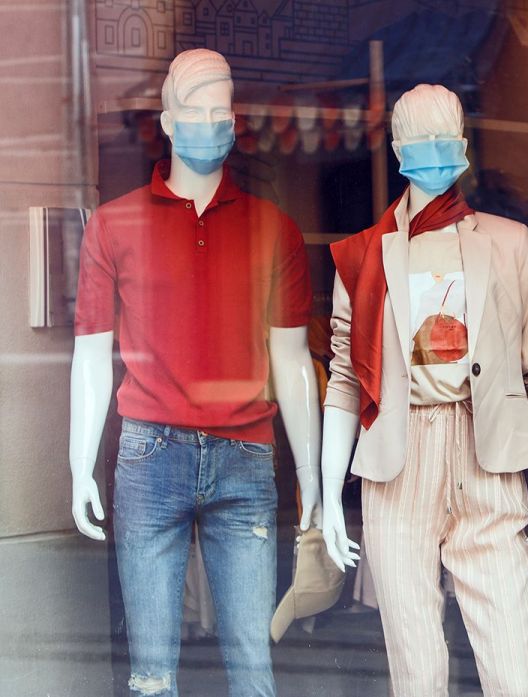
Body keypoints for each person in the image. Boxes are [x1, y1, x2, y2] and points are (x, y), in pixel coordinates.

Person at [69, 48, 321, 697]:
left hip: (246, 455)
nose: (210, 121)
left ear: (234, 121)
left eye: (222, 109)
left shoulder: (275, 230)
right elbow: (92, 354)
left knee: (251, 665)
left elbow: (293, 358)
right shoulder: (115, 225)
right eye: (196, 108)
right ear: (169, 119)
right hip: (150, 453)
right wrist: (78, 468)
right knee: (152, 673)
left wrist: (312, 475)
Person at [320, 83, 528, 697]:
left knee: (511, 660)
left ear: (464, 144)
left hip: (487, 456)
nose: (435, 149)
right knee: (416, 665)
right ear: (398, 148)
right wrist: (329, 494)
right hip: (399, 464)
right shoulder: (364, 258)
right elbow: (346, 379)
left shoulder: (509, 244)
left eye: (446, 136)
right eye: (421, 138)